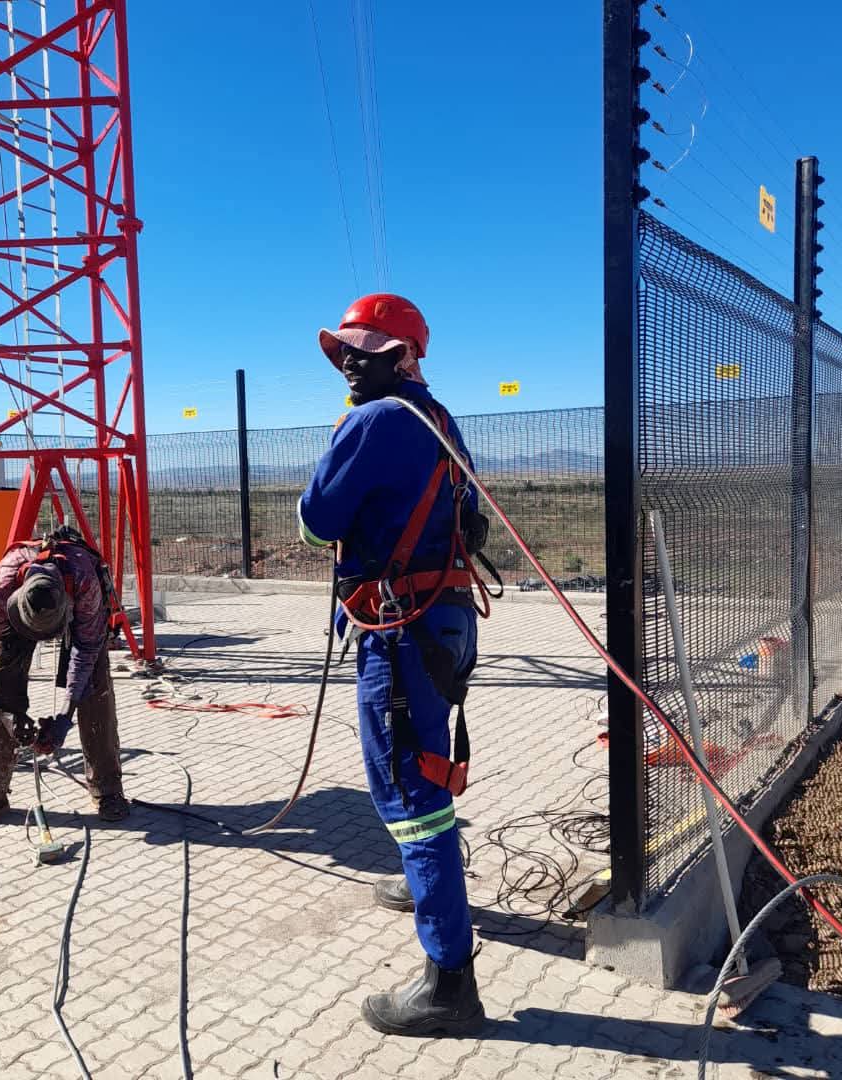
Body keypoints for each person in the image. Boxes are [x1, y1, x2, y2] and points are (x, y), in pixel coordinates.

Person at [298, 293, 489, 1036]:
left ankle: (450, 983)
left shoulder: (375, 421)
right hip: (440, 624)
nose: (350, 358)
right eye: (345, 347)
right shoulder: (439, 420)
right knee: (428, 771)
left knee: (411, 792)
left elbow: (316, 524)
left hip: (402, 635)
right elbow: (468, 518)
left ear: (405, 355)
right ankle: (428, 884)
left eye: (367, 347)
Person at [0, 526, 130, 832]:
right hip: (16, 618)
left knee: (95, 690)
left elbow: (85, 651)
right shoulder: (2, 589)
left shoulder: (85, 582)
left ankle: (108, 790)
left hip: (78, 611)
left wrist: (65, 716)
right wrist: (7, 714)